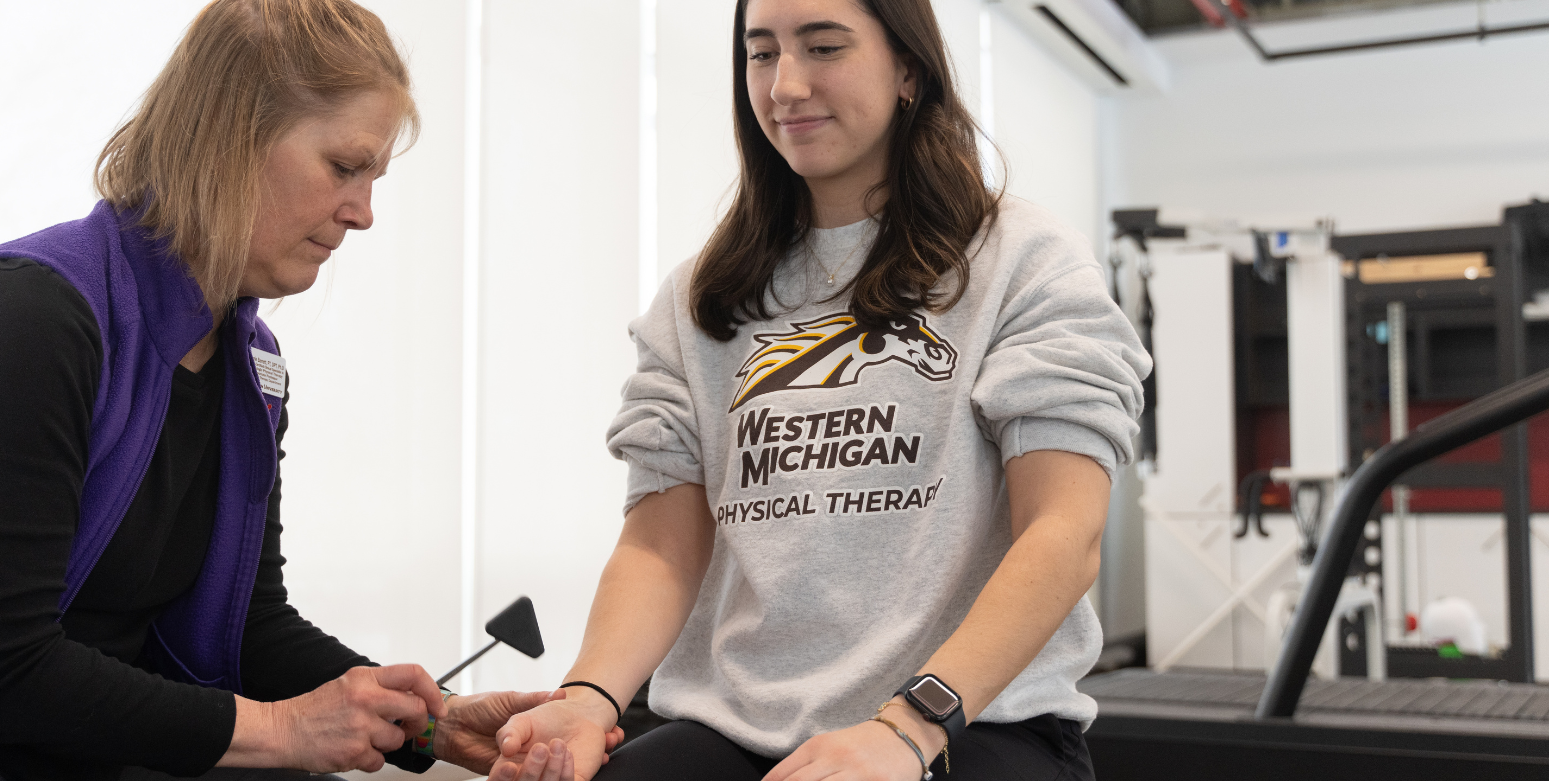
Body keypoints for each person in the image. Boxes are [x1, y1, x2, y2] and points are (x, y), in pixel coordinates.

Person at [0, 2, 609, 779]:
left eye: (374, 179)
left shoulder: (252, 365)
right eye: (345, 166)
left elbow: (244, 625)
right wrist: (282, 732)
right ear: (229, 135)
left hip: (37, 727)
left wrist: (432, 723)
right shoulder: (19, 317)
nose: (363, 213)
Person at [487, 0, 1149, 779]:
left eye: (823, 47)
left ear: (908, 67)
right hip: (735, 726)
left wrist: (908, 726)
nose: (785, 86)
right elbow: (659, 550)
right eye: (760, 54)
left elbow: (1062, 534)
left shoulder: (1023, 263)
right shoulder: (697, 297)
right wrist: (587, 697)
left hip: (970, 721)